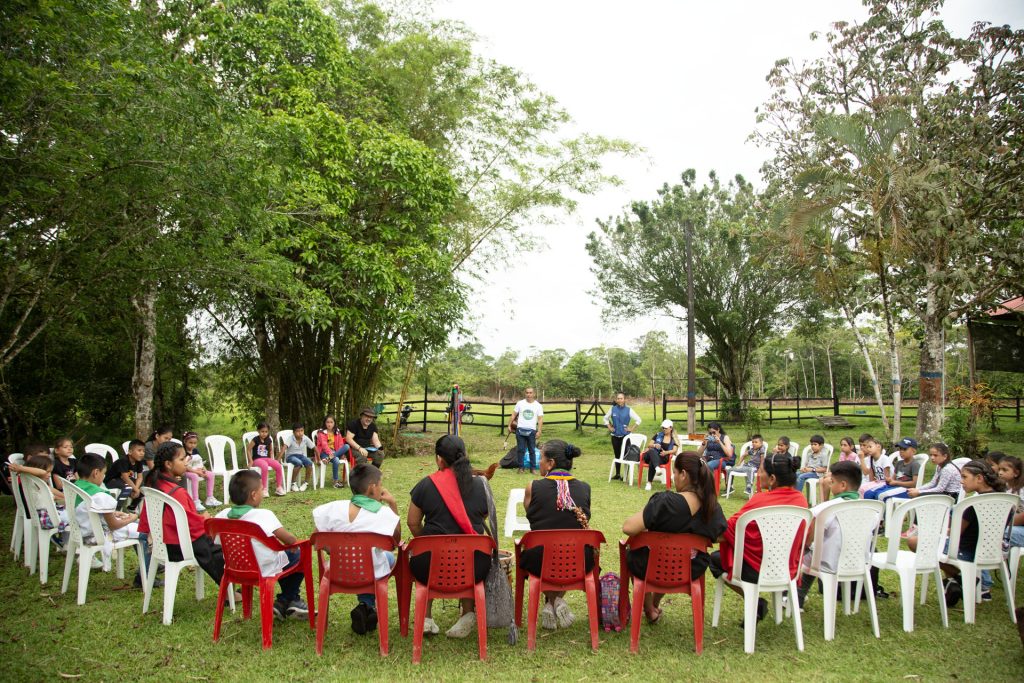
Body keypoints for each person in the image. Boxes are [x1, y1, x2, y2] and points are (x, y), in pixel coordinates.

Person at [622, 452, 727, 623]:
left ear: (684, 474)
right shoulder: (711, 506)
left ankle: (649, 608)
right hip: (689, 569)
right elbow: (721, 536)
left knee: (640, 552)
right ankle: (654, 605)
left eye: (675, 472)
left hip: (651, 567)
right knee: (674, 554)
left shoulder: (665, 502)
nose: (674, 476)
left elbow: (628, 528)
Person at [708, 452, 808, 625]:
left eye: (761, 471)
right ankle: (757, 603)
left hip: (757, 569)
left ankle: (755, 602)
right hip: (787, 568)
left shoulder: (760, 501)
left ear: (772, 479)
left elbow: (727, 531)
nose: (758, 474)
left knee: (714, 559)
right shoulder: (801, 501)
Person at [407, 435, 489, 639]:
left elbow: (413, 522)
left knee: (428, 552)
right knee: (469, 548)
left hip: (430, 565)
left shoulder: (426, 485)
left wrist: (426, 542)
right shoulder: (481, 485)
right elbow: (483, 516)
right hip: (475, 567)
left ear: (439, 460)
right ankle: (468, 613)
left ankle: (425, 617)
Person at [313, 464, 400, 634]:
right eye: (380, 484)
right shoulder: (382, 513)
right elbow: (395, 541)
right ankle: (367, 605)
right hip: (369, 574)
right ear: (372, 488)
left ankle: (365, 606)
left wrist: (332, 549)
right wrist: (393, 505)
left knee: (372, 561)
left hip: (339, 571)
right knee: (388, 557)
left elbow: (317, 539)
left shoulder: (331, 509)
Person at [908, 460, 1005, 607]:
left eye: (964, 477)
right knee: (938, 543)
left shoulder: (972, 505)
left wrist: (938, 531)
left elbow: (954, 534)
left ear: (979, 478)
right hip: (993, 551)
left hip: (966, 551)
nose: (961, 481)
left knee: (915, 542)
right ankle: (953, 584)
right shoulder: (1004, 499)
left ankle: (960, 578)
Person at [214, 470, 308, 619]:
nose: (263, 493)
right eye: (261, 489)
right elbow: (289, 540)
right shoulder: (263, 515)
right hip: (263, 568)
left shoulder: (221, 515)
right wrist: (296, 542)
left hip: (235, 568)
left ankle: (287, 601)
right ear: (253, 494)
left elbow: (215, 540)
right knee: (298, 553)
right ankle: (289, 599)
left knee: (286, 555)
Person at [521, 439, 592, 629]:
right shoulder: (585, 488)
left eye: (541, 458)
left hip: (540, 560)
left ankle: (550, 602)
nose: (539, 463)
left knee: (545, 546)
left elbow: (532, 516)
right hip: (577, 561)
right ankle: (556, 601)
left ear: (551, 463)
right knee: (566, 549)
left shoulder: (533, 487)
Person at [139, 441, 224, 587]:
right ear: (168, 464)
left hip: (162, 545)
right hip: (179, 547)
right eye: (181, 459)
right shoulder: (177, 492)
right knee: (217, 551)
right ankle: (228, 592)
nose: (186, 462)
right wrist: (205, 519)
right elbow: (191, 526)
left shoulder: (154, 484)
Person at [795, 460, 865, 607]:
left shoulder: (827, 508)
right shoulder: (870, 507)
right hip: (859, 561)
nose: (830, 484)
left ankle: (796, 596)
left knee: (805, 552)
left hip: (829, 562)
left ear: (843, 485)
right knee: (814, 553)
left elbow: (808, 539)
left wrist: (803, 546)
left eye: (832, 482)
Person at [72, 453, 143, 583]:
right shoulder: (100, 495)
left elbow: (89, 510)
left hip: (82, 531)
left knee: (135, 524)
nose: (104, 476)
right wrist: (132, 518)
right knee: (143, 530)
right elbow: (114, 526)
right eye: (104, 473)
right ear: (96, 472)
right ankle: (147, 573)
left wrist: (115, 513)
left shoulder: (75, 486)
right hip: (99, 534)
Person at [864, 437, 920, 502]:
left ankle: (885, 512)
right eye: (900, 449)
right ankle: (872, 511)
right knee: (868, 493)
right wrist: (889, 480)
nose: (901, 451)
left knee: (881, 495)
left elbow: (914, 484)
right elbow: (893, 478)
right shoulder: (899, 463)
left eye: (905, 449)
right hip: (895, 486)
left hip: (907, 489)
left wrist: (896, 482)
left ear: (914, 451)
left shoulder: (915, 464)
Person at [604, 392, 641, 481]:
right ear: (616, 400)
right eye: (618, 398)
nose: (620, 400)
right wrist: (609, 427)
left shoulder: (629, 410)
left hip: (626, 437)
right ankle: (617, 474)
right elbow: (605, 418)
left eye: (621, 398)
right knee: (617, 455)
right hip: (615, 436)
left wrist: (631, 428)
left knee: (626, 456)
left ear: (624, 399)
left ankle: (625, 476)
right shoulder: (612, 409)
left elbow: (638, 420)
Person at [181, 431, 220, 511]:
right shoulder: (183, 451)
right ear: (185, 442)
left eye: (195, 443)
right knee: (194, 476)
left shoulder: (195, 451)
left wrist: (204, 470)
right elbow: (185, 466)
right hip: (186, 471)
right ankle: (195, 501)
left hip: (197, 469)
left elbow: (200, 462)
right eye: (190, 443)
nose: (193, 445)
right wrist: (197, 472)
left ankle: (210, 498)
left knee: (211, 474)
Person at [245, 422, 286, 497]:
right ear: (258, 431)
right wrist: (250, 461)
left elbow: (270, 450)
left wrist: (272, 460)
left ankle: (279, 487)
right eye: (262, 431)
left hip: (266, 458)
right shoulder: (255, 440)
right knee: (264, 466)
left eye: (266, 432)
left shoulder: (269, 440)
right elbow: (248, 449)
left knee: (278, 465)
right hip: (257, 459)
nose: (264, 433)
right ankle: (264, 489)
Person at [509, 388, 544, 474]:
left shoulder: (538, 405)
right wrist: (509, 425)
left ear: (534, 394)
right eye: (527, 393)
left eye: (530, 393)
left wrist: (539, 431)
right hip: (520, 430)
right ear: (525, 394)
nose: (529, 394)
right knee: (520, 449)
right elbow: (513, 414)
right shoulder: (520, 403)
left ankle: (533, 468)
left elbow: (540, 419)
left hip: (532, 431)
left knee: (532, 450)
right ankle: (521, 468)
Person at [106, 438, 145, 510]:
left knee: (143, 488)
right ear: (130, 452)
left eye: (143, 451)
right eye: (139, 450)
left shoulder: (139, 461)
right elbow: (125, 477)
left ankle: (132, 508)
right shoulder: (124, 461)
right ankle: (117, 509)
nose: (142, 453)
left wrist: (136, 489)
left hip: (123, 481)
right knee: (128, 487)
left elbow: (140, 477)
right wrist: (135, 489)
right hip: (112, 481)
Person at [997, 455, 1024, 556]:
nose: (1000, 473)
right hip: (1013, 525)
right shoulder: (1006, 487)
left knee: (997, 532)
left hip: (1019, 528)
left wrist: (1004, 523)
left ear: (1016, 473)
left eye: (1004, 470)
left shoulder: (1022, 490)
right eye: (999, 469)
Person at [820, 437, 859, 502]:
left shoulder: (854, 456)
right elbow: (839, 467)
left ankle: (827, 501)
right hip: (840, 475)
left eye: (845, 445)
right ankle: (823, 502)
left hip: (848, 477)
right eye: (841, 445)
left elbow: (849, 471)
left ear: (851, 447)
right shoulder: (842, 454)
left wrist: (832, 474)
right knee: (821, 480)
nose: (842, 447)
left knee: (827, 481)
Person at [316, 415, 351, 489]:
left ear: (334, 423)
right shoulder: (321, 432)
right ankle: (335, 482)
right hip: (324, 453)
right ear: (325, 423)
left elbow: (341, 444)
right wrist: (331, 454)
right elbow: (324, 445)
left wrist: (341, 454)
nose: (329, 424)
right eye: (327, 422)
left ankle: (329, 458)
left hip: (334, 453)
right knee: (336, 460)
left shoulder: (337, 431)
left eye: (331, 422)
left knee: (347, 446)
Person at [642, 419, 678, 491]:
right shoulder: (658, 434)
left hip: (663, 457)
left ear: (671, 428)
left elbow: (674, 450)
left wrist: (666, 452)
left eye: (666, 428)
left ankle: (649, 483)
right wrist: (655, 445)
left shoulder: (674, 438)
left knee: (653, 461)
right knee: (652, 451)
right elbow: (649, 445)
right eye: (663, 428)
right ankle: (657, 468)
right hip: (650, 455)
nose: (664, 429)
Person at [281, 422, 315, 492]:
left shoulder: (305, 438)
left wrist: (318, 458)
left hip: (301, 456)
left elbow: (315, 448)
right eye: (297, 431)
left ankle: (306, 483)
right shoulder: (290, 438)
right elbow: (284, 448)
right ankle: (293, 483)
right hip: (290, 456)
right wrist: (278, 459)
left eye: (302, 431)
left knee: (309, 463)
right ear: (293, 432)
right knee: (299, 463)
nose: (300, 433)